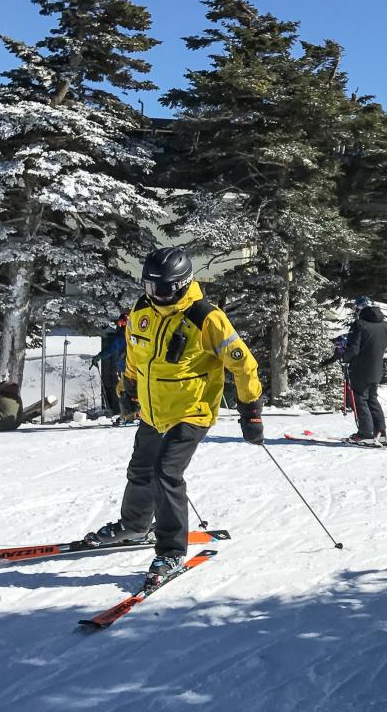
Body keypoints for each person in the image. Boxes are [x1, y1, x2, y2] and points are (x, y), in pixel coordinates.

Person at [89, 247, 263, 586]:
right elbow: (136, 354)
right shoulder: (142, 310)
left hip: (192, 410)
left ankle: (169, 549)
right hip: (154, 411)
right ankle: (135, 526)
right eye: (150, 287)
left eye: (164, 289)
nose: (156, 296)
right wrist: (128, 388)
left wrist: (250, 412)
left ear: (182, 285)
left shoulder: (205, 317)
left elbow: (243, 364)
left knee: (166, 473)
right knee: (140, 469)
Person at [343, 296, 387, 444]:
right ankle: (380, 432)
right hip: (377, 368)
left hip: (360, 368)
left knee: (360, 400)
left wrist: (344, 356)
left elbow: (354, 349)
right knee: (372, 399)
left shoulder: (360, 324)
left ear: (360, 309)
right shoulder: (385, 326)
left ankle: (365, 434)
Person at [91, 312, 129, 410]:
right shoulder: (119, 337)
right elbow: (110, 349)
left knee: (127, 390)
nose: (122, 326)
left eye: (125, 323)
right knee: (121, 390)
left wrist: (127, 353)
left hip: (134, 368)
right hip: (123, 369)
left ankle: (132, 413)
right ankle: (129, 413)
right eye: (121, 323)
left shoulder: (134, 335)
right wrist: (99, 356)